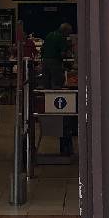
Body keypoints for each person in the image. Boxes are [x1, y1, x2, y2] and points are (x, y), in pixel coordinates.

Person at [41, 22, 74, 156]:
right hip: (54, 62)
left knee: (46, 84)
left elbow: (43, 49)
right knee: (56, 84)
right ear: (65, 31)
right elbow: (63, 53)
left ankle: (46, 104)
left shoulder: (49, 35)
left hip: (45, 62)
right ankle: (55, 105)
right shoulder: (61, 38)